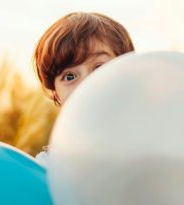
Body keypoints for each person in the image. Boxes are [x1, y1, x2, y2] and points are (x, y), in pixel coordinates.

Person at [33, 12, 135, 166]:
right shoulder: (49, 166)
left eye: (100, 67)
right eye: (69, 76)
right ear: (56, 94)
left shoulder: (148, 146)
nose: (86, 84)